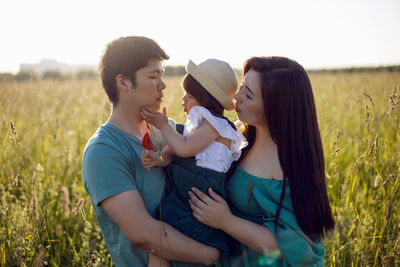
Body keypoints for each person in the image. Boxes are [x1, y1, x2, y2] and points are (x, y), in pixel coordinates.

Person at [81, 36, 219, 267]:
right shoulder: (103, 152)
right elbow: (143, 233)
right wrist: (213, 256)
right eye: (153, 76)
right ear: (123, 83)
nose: (162, 85)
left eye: (162, 76)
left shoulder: (170, 131)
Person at [188, 56, 335, 266]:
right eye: (241, 86)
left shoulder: (285, 165)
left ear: (277, 106)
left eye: (248, 94)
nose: (236, 97)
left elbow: (295, 246)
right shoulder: (241, 132)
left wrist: (226, 221)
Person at [140, 59, 248, 265]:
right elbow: (173, 153)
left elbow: (184, 148)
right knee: (159, 249)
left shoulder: (216, 126)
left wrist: (164, 126)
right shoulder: (195, 128)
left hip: (199, 201)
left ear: (205, 99)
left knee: (173, 253)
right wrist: (158, 158)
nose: (183, 100)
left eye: (189, 96)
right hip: (182, 196)